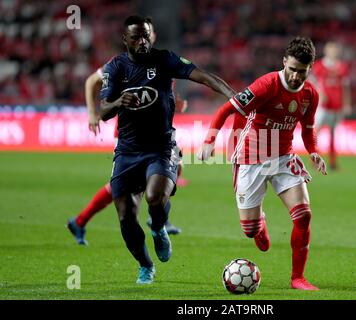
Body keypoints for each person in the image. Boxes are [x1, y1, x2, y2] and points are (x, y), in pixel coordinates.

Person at [99, 15, 235, 284]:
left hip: (161, 147)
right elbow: (102, 111)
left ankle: (159, 228)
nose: (143, 41)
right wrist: (118, 102)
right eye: (136, 37)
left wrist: (234, 96)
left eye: (146, 35)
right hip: (127, 151)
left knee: (154, 196)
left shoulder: (164, 59)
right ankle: (145, 265)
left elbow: (203, 76)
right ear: (124, 39)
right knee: (126, 216)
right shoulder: (114, 68)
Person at [198, 37, 327, 290]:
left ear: (309, 69)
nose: (295, 77)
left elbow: (308, 129)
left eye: (301, 72)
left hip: (283, 157)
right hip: (250, 157)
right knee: (248, 230)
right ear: (284, 63)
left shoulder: (310, 94)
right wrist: (209, 141)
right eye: (291, 70)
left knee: (303, 216)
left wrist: (313, 151)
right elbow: (226, 110)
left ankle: (297, 278)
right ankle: (258, 225)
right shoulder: (266, 85)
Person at [67, 21, 185, 246]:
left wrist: (174, 102)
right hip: (133, 131)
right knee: (129, 185)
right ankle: (82, 220)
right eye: (140, 34)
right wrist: (92, 112)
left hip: (156, 133)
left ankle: (158, 217)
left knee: (174, 165)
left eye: (148, 34)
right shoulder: (122, 63)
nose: (146, 38)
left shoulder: (158, 60)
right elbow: (92, 80)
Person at [311, 41, 351, 170]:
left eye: (335, 50)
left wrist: (346, 103)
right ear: (327, 51)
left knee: (333, 134)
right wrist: (319, 93)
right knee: (317, 133)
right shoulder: (319, 66)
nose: (334, 52)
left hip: (336, 106)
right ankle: (315, 160)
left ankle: (333, 162)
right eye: (331, 50)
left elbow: (345, 87)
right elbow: (311, 81)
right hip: (323, 106)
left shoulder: (342, 67)